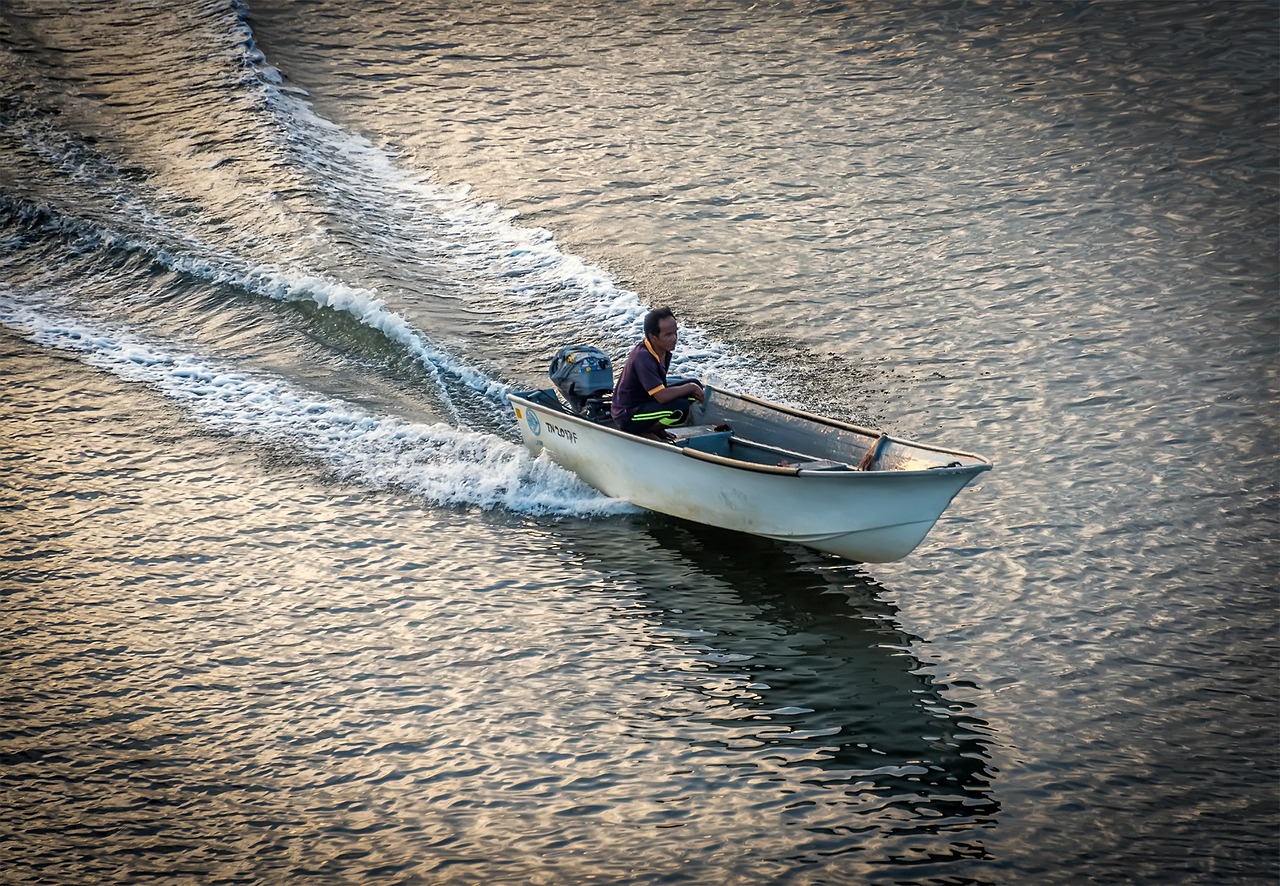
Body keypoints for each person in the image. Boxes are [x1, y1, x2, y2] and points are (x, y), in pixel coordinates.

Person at [611, 306, 705, 439]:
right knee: (680, 408)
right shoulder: (643, 358)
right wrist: (691, 388)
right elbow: (662, 396)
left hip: (648, 401)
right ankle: (644, 431)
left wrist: (692, 386)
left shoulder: (662, 351)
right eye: (668, 335)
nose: (674, 338)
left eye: (675, 333)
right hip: (628, 414)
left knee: (694, 386)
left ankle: (657, 428)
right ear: (653, 336)